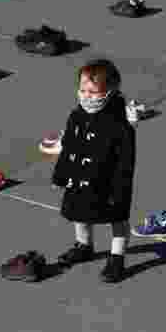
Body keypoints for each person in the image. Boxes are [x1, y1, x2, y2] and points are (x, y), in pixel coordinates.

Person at [52, 59, 136, 283]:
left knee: (117, 219)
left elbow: (126, 162)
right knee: (79, 215)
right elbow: (69, 147)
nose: (87, 96)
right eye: (82, 90)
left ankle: (117, 258)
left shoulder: (120, 125)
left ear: (110, 91)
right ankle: (84, 246)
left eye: (93, 91)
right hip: (79, 178)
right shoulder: (76, 116)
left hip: (107, 182)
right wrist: (61, 174)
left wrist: (121, 190)